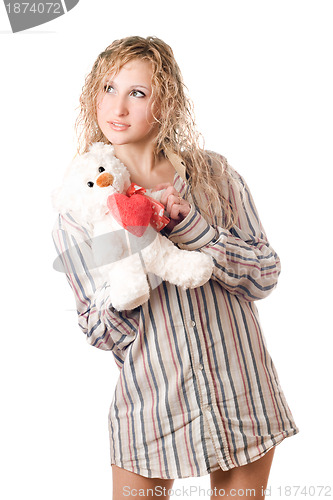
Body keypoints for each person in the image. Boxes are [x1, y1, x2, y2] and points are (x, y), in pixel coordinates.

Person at [52, 36, 299, 499]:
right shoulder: (81, 208)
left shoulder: (216, 177)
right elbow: (101, 330)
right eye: (108, 89)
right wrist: (135, 255)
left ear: (166, 102)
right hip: (152, 408)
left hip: (242, 395)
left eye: (137, 93)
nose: (117, 108)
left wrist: (192, 229)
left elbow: (265, 275)